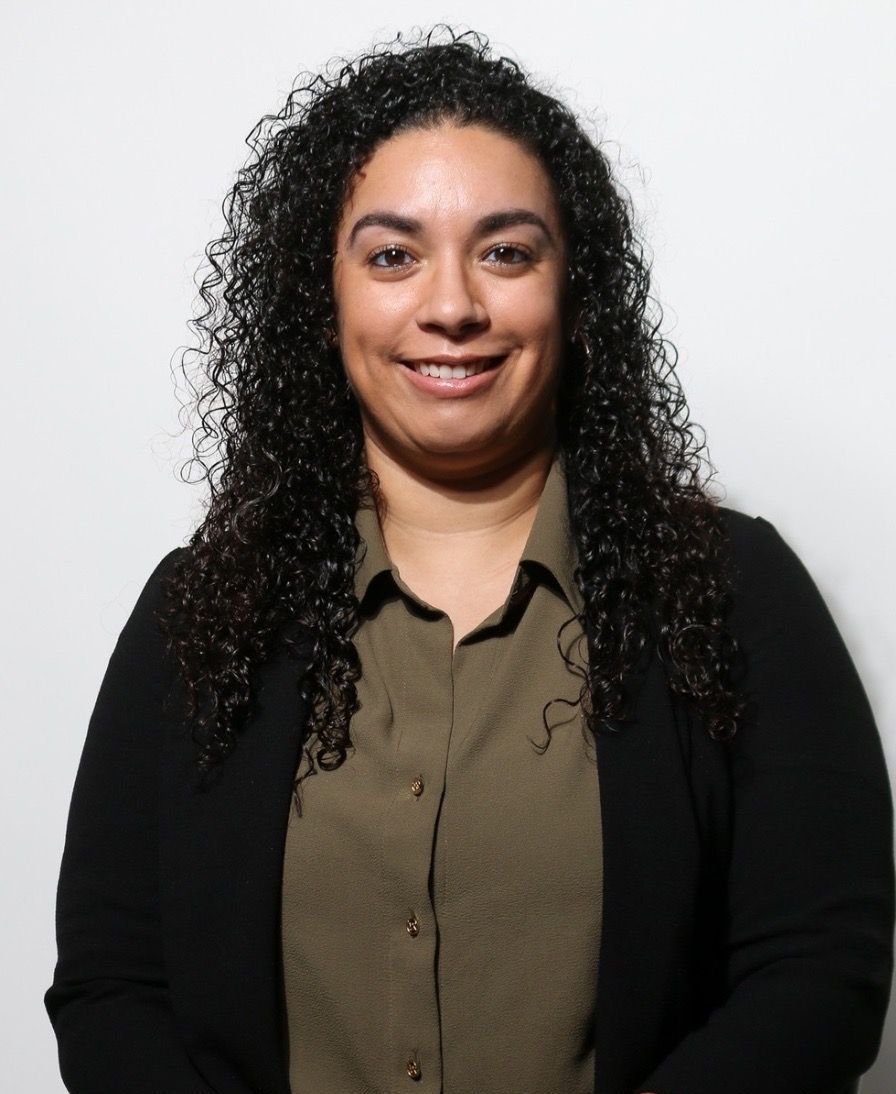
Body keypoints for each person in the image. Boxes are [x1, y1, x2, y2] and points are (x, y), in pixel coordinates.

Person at [44, 24, 894, 1094]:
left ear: (573, 297)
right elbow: (112, 990)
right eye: (392, 254)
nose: (450, 305)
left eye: (505, 250)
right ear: (326, 298)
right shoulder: (205, 608)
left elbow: (817, 975)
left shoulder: (730, 590)